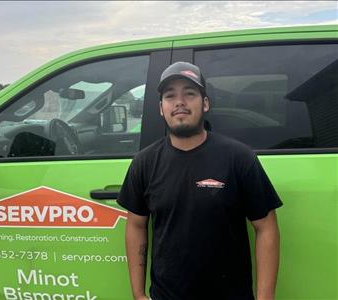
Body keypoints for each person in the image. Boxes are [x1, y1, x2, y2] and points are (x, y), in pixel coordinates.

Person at [117, 61, 283, 300]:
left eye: (190, 93)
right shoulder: (145, 162)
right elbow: (135, 225)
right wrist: (138, 293)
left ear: (205, 103)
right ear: (161, 108)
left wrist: (265, 298)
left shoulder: (238, 157)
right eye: (170, 95)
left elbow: (266, 227)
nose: (179, 102)